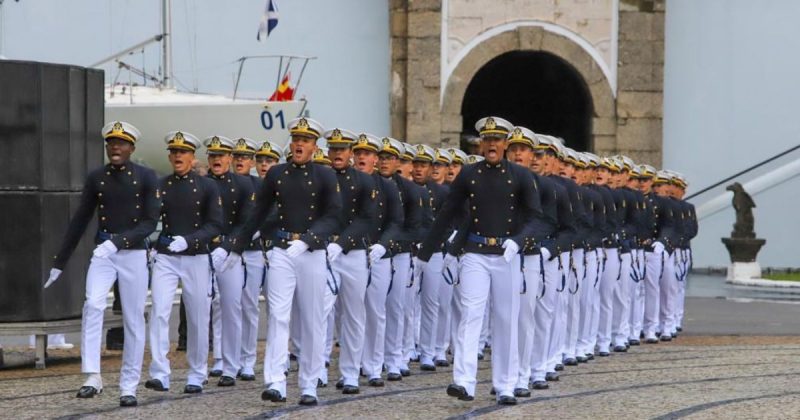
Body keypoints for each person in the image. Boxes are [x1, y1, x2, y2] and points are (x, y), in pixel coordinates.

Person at [417, 116, 548, 405]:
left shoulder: (520, 176)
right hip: (475, 253)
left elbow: (537, 218)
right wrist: (426, 253)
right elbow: (448, 212)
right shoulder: (469, 174)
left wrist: (518, 241)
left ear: (505, 144)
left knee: (505, 320)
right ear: (480, 144)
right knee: (470, 315)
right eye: (487, 139)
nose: (491, 144)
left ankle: (505, 384)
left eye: (497, 140)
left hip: (506, 255)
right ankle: (464, 381)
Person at [228, 117, 341, 406]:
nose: (299, 144)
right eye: (296, 139)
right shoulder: (277, 174)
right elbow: (258, 211)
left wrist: (309, 239)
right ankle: (276, 381)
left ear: (314, 146)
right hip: (281, 250)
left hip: (311, 252)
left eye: (305, 140)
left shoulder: (326, 176)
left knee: (312, 319)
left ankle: (309, 383)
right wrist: (237, 247)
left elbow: (334, 215)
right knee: (278, 316)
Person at [45, 121, 158, 407]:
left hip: (133, 253)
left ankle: (129, 385)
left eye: (121, 143)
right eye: (111, 143)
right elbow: (80, 219)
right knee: (93, 305)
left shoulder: (146, 177)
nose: (115, 147)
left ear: (131, 147)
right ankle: (92, 376)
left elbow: (149, 222)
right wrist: (60, 262)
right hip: (103, 253)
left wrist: (118, 242)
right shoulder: (97, 177)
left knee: (133, 318)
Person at [146, 130, 222, 395]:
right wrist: (150, 245)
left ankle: (197, 373)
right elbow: (150, 218)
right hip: (167, 255)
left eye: (183, 152)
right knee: (159, 311)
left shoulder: (207, 186)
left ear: (192, 156)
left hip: (196, 256)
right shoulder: (162, 185)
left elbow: (215, 224)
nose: (178, 156)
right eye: (174, 152)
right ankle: (159, 372)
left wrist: (189, 240)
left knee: (198, 315)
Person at [323, 128, 377, 394]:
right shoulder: (320, 177)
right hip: (324, 251)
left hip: (353, 251)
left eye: (342, 149)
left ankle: (350, 373)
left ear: (351, 153)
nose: (337, 154)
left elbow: (366, 218)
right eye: (333, 149)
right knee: (320, 312)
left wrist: (341, 242)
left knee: (354, 315)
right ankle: (317, 369)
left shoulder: (364, 181)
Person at [352, 133, 404, 387]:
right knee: (350, 313)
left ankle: (373, 366)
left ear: (374, 159)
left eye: (367, 154)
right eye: (358, 153)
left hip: (377, 255)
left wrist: (383, 245)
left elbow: (396, 220)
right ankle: (351, 367)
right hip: (349, 253)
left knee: (375, 311)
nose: (362, 158)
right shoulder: (344, 182)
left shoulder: (386, 186)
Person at [204, 135, 255, 386]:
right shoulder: (200, 183)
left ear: (229, 159)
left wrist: (229, 248)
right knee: (206, 307)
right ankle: (214, 360)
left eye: (221, 155)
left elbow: (246, 221)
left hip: (230, 251)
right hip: (203, 249)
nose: (217, 160)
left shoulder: (243, 185)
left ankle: (232, 365)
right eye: (212, 155)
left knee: (232, 307)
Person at [380, 137, 423, 382]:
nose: (384, 162)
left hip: (400, 252)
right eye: (382, 157)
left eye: (389, 158)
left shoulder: (409, 189)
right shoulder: (370, 183)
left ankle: (396, 358)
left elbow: (415, 225)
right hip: (375, 252)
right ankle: (373, 357)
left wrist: (392, 242)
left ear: (397, 161)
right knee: (373, 308)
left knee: (397, 307)